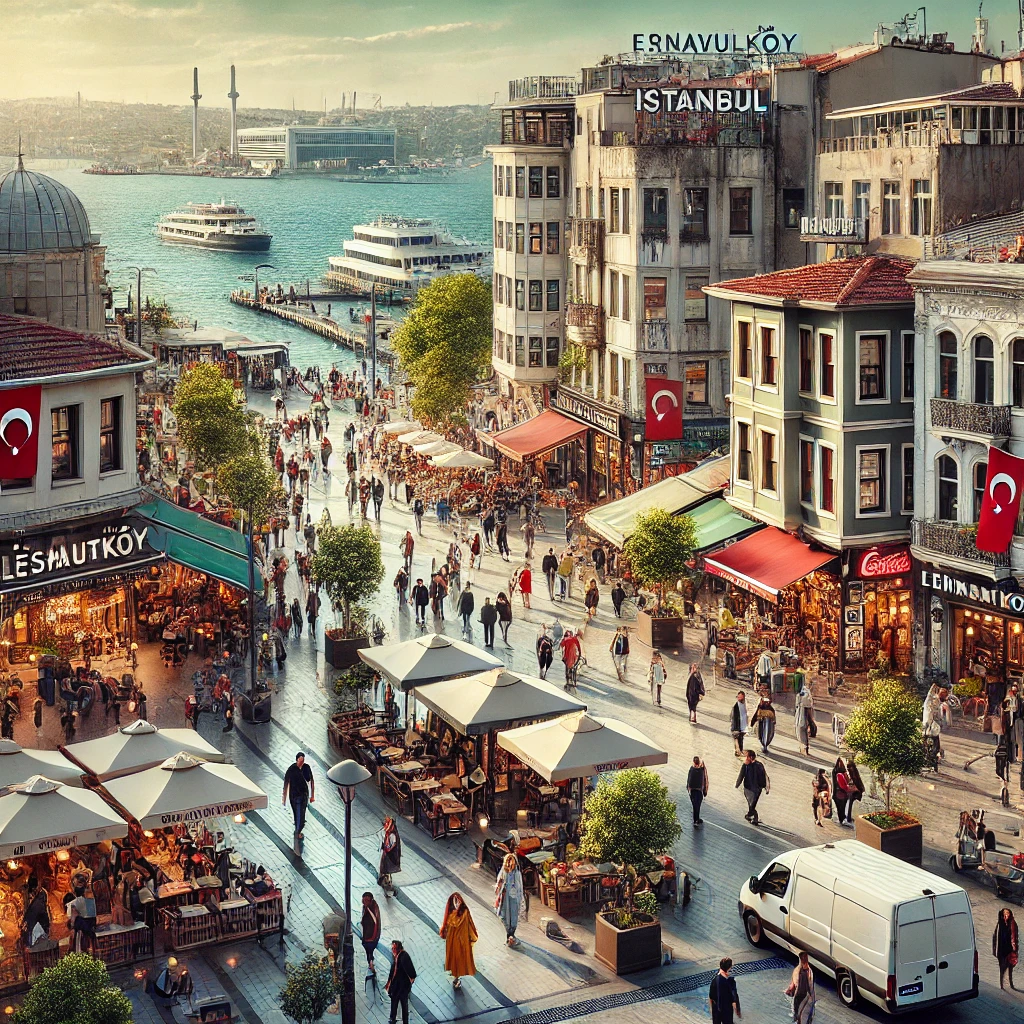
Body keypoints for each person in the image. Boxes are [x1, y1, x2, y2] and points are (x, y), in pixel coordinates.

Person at [439, 892, 477, 990]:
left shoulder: (451, 914)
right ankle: (457, 977)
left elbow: (447, 926)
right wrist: (472, 936)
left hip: (454, 941)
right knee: (459, 959)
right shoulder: (464, 912)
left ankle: (456, 977)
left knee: (456, 959)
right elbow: (470, 925)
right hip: (460, 940)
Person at [494, 852, 525, 947]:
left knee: (513, 916)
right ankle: (509, 934)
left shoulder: (517, 873)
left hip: (514, 898)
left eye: (512, 862)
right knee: (504, 915)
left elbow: (520, 887)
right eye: (508, 861)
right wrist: (498, 889)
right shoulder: (504, 871)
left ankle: (511, 934)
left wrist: (520, 898)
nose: (510, 864)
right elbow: (499, 881)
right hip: (505, 897)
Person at [282, 752, 314, 839]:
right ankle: (298, 827)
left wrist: (312, 795)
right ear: (296, 760)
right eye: (300, 760)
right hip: (293, 795)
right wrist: (284, 797)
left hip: (303, 795)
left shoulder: (306, 768)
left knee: (301, 813)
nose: (301, 762)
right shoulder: (292, 769)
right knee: (296, 813)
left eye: (303, 760)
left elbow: (311, 781)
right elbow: (286, 782)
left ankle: (298, 830)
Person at [385, 939, 417, 1024]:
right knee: (395, 1002)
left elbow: (411, 971)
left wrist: (410, 981)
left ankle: (403, 1021)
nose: (392, 950)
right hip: (396, 985)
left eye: (394, 948)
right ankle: (393, 1018)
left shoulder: (404, 956)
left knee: (403, 1004)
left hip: (402, 986)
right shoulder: (397, 956)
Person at [735, 749, 768, 826]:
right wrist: (737, 784)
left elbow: (763, 776)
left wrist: (763, 786)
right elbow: (741, 775)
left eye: (746, 757)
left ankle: (754, 817)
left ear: (750, 757)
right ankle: (750, 815)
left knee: (752, 804)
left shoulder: (759, 765)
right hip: (748, 788)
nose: (745, 759)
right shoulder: (745, 765)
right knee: (751, 803)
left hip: (756, 789)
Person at [708, 957, 741, 1024]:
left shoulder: (714, 980)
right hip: (726, 1009)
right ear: (729, 968)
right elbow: (734, 998)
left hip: (716, 1008)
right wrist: (738, 1010)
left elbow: (711, 997)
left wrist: (711, 1010)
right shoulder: (730, 982)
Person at [785, 951, 815, 1024]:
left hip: (802, 997)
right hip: (803, 997)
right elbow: (811, 987)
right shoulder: (808, 971)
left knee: (799, 1016)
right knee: (803, 1017)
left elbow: (792, 986)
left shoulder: (798, 970)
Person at [995, 907, 1019, 989]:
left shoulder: (1012, 923)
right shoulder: (1000, 924)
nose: (1006, 915)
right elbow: (995, 937)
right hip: (1001, 949)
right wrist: (995, 950)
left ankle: (1010, 983)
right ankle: (1001, 984)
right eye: (1004, 913)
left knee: (1010, 966)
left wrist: (1014, 947)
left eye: (1007, 913)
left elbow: (1014, 936)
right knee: (1002, 967)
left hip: (1009, 949)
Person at [378, 817, 402, 893]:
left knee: (387, 869)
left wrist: (388, 849)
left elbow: (393, 845)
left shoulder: (392, 835)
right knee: (385, 868)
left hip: (389, 856)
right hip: (387, 854)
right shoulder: (388, 834)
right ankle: (385, 880)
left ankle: (387, 884)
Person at [361, 891, 382, 974]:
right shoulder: (367, 907)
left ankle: (371, 963)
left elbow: (375, 921)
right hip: (368, 934)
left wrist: (374, 936)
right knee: (368, 951)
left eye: (365, 900)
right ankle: (370, 963)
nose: (363, 902)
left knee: (369, 949)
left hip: (371, 935)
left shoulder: (372, 907)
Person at [832, 757, 856, 827]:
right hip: (840, 795)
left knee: (841, 808)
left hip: (838, 794)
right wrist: (851, 789)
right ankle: (843, 820)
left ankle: (842, 820)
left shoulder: (836, 772)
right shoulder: (839, 775)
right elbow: (843, 786)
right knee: (842, 808)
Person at [686, 755, 708, 826]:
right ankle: (696, 820)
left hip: (692, 790)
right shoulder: (701, 770)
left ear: (693, 762)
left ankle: (696, 819)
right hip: (699, 791)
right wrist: (705, 791)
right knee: (697, 805)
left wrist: (688, 788)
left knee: (695, 805)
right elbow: (705, 779)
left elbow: (688, 779)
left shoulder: (691, 769)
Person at [795, 685, 815, 755]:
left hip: (801, 718)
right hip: (802, 717)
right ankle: (804, 749)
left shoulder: (799, 696)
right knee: (802, 732)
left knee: (801, 732)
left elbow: (797, 706)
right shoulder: (807, 697)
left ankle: (804, 749)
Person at [730, 691, 748, 757]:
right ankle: (737, 751)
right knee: (736, 738)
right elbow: (733, 717)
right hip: (737, 726)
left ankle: (740, 750)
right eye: (739, 697)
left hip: (743, 725)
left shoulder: (744, 704)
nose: (740, 698)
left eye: (741, 697)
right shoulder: (736, 706)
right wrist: (734, 727)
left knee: (741, 738)